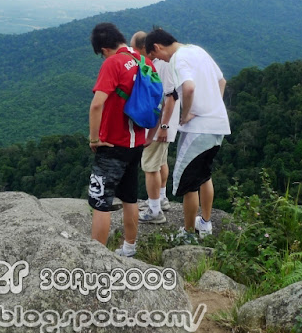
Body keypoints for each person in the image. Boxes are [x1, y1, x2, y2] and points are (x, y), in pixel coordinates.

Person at [144, 28, 230, 238]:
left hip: (198, 129)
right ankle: (205, 224)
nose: (160, 61)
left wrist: (187, 113)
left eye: (156, 56)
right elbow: (222, 81)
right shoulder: (198, 50)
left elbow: (189, 88)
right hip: (218, 124)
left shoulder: (177, 58)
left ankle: (189, 233)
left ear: (157, 47)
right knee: (204, 175)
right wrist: (213, 107)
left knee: (188, 182)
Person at [88, 22, 153, 257]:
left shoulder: (113, 63)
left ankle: (97, 257)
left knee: (101, 202)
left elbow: (97, 104)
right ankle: (129, 248)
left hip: (113, 143)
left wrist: (94, 139)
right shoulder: (143, 61)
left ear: (104, 49)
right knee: (129, 198)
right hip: (136, 143)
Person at [130, 31, 179, 224]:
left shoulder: (163, 64)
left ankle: (155, 211)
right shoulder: (157, 62)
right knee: (160, 162)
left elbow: (170, 96)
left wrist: (164, 126)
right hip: (162, 124)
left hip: (160, 125)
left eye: (135, 49)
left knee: (150, 166)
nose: (134, 53)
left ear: (144, 48)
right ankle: (161, 199)